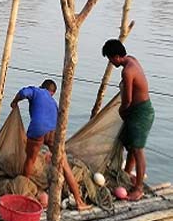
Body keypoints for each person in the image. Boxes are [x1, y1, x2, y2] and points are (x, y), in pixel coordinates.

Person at [11, 79, 91, 211]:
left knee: (30, 160)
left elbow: (23, 92)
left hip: (38, 129)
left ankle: (23, 192)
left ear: (42, 86)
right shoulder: (53, 103)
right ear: (52, 92)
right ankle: (79, 201)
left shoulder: (36, 91)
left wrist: (14, 102)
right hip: (54, 131)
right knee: (64, 164)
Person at [102, 39, 154, 201]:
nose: (111, 62)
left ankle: (138, 189)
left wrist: (121, 110)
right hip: (138, 111)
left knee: (137, 150)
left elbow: (128, 100)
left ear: (117, 56)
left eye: (111, 59)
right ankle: (126, 175)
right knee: (128, 143)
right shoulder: (132, 60)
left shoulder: (127, 71)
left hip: (141, 112)